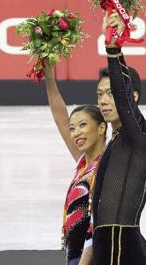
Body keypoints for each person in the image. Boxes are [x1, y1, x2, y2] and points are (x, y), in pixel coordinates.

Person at [92, 12, 146, 264]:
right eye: (99, 95)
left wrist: (113, 48)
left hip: (122, 248)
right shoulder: (116, 139)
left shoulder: (138, 134)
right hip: (107, 246)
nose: (104, 100)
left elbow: (122, 92)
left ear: (133, 98)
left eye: (110, 94)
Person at [43, 67, 107, 265]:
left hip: (94, 256)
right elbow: (60, 116)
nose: (76, 133)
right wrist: (49, 77)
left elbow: (100, 222)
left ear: (101, 128)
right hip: (75, 254)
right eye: (73, 128)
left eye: (83, 125)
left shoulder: (108, 164)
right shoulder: (83, 163)